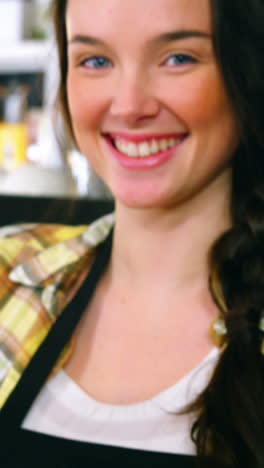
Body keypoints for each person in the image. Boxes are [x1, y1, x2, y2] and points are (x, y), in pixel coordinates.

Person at [0, 0, 263, 466]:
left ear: (246, 69)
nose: (128, 106)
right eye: (95, 61)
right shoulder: (9, 273)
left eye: (178, 58)